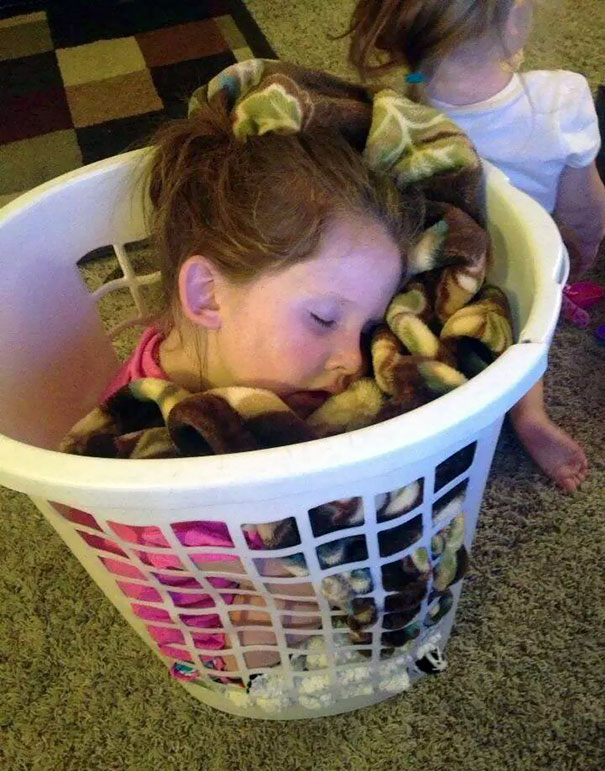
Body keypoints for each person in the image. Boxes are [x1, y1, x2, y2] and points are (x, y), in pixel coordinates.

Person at [98, 83, 416, 677]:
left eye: (367, 326)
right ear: (206, 293)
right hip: (234, 644)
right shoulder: (152, 470)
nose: (352, 360)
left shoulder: (271, 374)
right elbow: (208, 641)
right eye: (323, 318)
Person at [345, 0, 605, 492]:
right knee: (529, 318)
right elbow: (584, 206)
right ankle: (529, 414)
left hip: (439, 269)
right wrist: (582, 252)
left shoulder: (393, 118)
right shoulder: (561, 99)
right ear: (518, 19)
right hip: (521, 263)